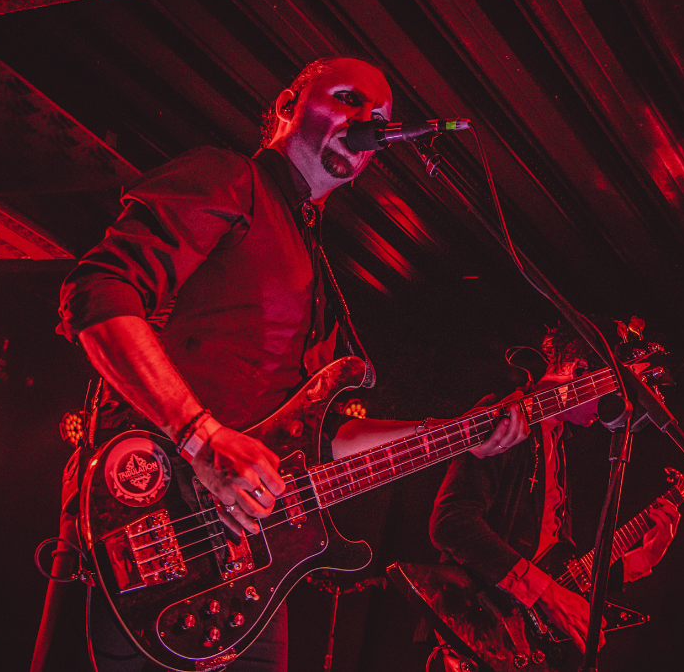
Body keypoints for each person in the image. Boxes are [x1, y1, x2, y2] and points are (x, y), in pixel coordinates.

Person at [32, 56, 529, 672]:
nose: (368, 120)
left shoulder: (310, 253)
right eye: (347, 98)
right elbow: (98, 293)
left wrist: (453, 435)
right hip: (142, 511)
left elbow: (318, 435)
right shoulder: (230, 178)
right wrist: (202, 438)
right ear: (289, 103)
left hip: (241, 556)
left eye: (379, 115)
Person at [428, 326, 681, 668]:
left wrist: (643, 559)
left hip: (516, 637)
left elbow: (559, 566)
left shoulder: (556, 439)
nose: (619, 407)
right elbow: (451, 523)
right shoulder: (505, 415)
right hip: (478, 629)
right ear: (579, 368)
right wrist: (547, 594)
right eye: (616, 390)